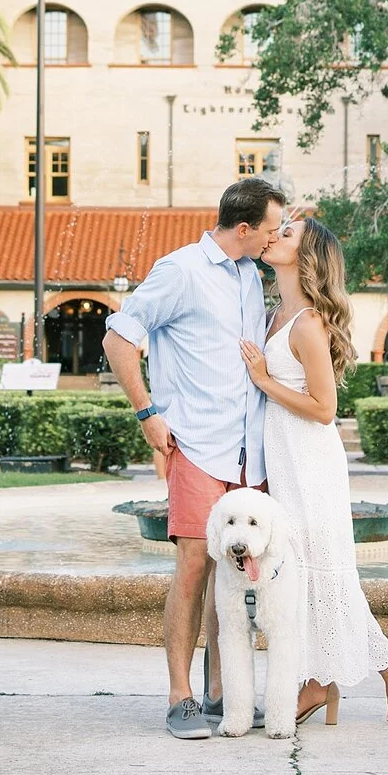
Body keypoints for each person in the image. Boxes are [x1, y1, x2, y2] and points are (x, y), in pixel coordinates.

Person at [104, 176, 283, 740]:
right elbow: (118, 337)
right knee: (191, 569)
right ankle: (180, 698)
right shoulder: (179, 270)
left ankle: (221, 694)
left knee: (233, 578)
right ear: (245, 227)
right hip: (198, 446)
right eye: (271, 229)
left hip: (247, 453)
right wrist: (147, 412)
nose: (275, 239)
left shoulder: (254, 276)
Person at [238, 212, 388, 727]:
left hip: (310, 460)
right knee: (304, 574)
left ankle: (349, 678)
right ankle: (360, 675)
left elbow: (324, 408)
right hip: (284, 458)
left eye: (287, 234)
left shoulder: (307, 324)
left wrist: (262, 378)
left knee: (323, 575)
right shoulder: (276, 313)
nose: (274, 235)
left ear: (307, 258)